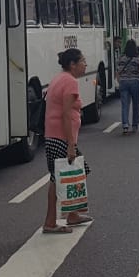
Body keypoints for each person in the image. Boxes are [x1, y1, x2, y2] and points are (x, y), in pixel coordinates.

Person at [42, 48, 94, 234]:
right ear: (72, 64)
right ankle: (51, 222)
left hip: (54, 135)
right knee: (58, 179)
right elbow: (65, 114)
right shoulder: (70, 82)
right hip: (61, 137)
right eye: (82, 61)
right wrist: (71, 145)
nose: (85, 65)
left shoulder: (59, 78)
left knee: (68, 175)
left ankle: (72, 214)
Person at [116, 39, 139, 135]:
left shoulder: (121, 58)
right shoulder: (138, 59)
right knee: (136, 104)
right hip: (135, 82)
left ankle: (125, 125)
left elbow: (118, 71)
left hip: (123, 82)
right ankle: (134, 125)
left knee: (125, 105)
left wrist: (120, 81)